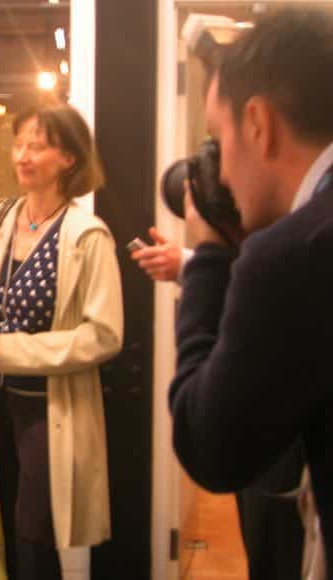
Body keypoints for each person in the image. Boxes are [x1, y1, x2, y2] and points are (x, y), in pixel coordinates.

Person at [168, 7, 333, 579]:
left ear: (259, 124)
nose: (220, 173)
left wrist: (211, 257)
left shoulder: (294, 255)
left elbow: (209, 443)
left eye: (217, 140)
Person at [0, 104, 123, 579]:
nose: (22, 156)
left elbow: (104, 336)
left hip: (49, 414)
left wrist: (10, 349)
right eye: (19, 144)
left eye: (38, 145)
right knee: (7, 529)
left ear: (68, 159)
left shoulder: (87, 236)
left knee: (33, 539)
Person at [131, 229, 306, 580]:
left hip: (286, 446)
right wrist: (192, 264)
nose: (225, 181)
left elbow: (204, 442)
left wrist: (202, 259)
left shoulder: (299, 240)